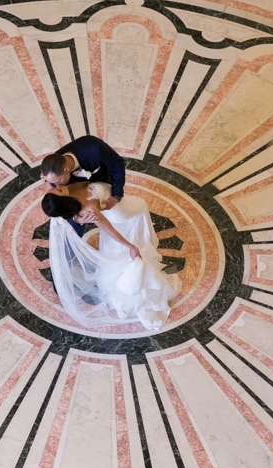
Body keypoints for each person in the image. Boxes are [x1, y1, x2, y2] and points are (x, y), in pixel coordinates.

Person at [41, 181, 180, 330]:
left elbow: (69, 208)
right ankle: (138, 244)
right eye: (59, 191)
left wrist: (77, 219)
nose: (59, 187)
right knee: (140, 206)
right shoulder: (89, 209)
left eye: (56, 189)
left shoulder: (68, 194)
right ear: (65, 200)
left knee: (138, 212)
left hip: (110, 203)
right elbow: (111, 231)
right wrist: (130, 246)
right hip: (119, 213)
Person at [41, 136, 126, 237]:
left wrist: (116, 195)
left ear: (66, 169)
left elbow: (117, 164)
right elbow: (60, 203)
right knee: (75, 224)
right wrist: (77, 219)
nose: (56, 185)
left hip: (103, 180)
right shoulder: (53, 169)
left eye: (59, 181)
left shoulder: (94, 148)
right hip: (82, 197)